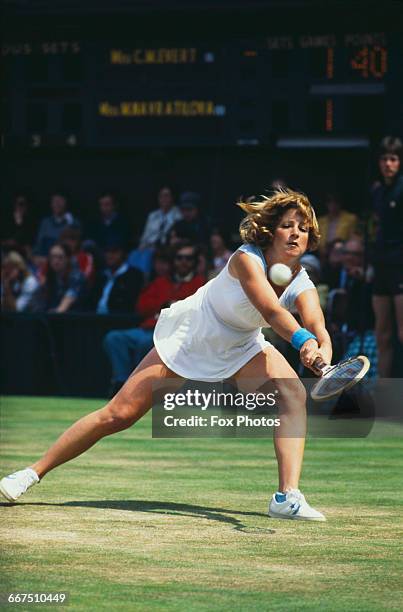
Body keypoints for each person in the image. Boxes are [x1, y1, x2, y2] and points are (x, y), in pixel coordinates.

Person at [0, 188, 331, 523]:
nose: (295, 234)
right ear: (271, 230)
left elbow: (317, 323)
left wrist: (323, 355)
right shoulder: (246, 258)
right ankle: (30, 473)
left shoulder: (300, 280)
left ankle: (286, 496)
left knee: (292, 394)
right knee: (120, 414)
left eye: (303, 229)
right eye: (288, 225)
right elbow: (272, 312)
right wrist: (303, 340)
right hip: (193, 334)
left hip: (241, 345)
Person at [103, 243, 204, 395]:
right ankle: (122, 383)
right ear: (173, 261)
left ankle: (140, 389)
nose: (183, 262)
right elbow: (141, 306)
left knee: (146, 344)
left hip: (176, 333)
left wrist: (176, 306)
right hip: (150, 327)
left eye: (188, 259)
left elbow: (198, 310)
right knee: (114, 338)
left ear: (195, 262)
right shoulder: (161, 281)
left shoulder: (200, 283)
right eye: (179, 258)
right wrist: (165, 304)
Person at [371, 136, 403, 377]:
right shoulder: (377, 190)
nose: (388, 164)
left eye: (393, 159)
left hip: (400, 266)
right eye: (384, 159)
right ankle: (383, 397)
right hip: (381, 266)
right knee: (382, 334)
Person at [87, 242, 144, 314]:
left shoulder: (134, 275)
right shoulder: (101, 275)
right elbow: (91, 301)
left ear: (123, 254)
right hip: (94, 318)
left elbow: (129, 304)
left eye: (114, 252)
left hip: (118, 319)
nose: (109, 255)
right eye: (107, 252)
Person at [33, 242, 87, 313]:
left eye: (60, 257)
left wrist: (52, 314)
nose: (56, 261)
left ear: (68, 259)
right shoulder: (51, 276)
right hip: (54, 317)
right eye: (53, 257)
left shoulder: (76, 276)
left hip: (75, 318)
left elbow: (64, 305)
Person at [33, 191, 80, 261]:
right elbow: (38, 246)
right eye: (54, 201)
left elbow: (74, 247)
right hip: (44, 260)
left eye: (60, 201)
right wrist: (36, 257)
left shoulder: (73, 222)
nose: (57, 204)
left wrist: (70, 222)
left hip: (63, 261)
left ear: (66, 203)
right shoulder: (45, 222)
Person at [318, 192, 357, 257]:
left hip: (342, 252)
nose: (333, 205)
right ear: (326, 204)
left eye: (336, 202)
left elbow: (353, 239)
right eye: (330, 202)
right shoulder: (321, 221)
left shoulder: (350, 219)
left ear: (340, 204)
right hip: (323, 254)